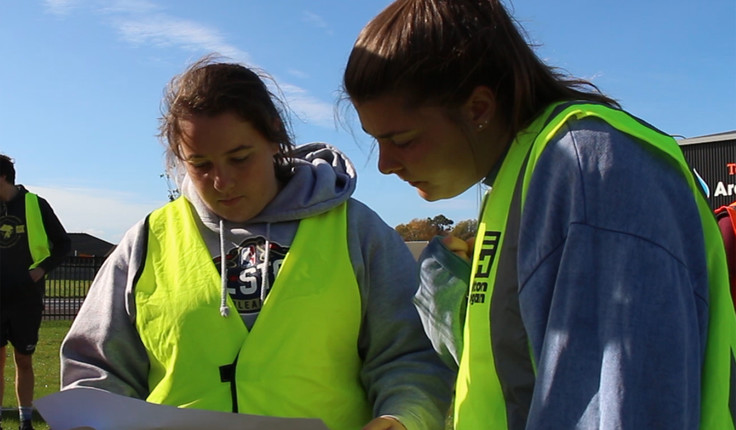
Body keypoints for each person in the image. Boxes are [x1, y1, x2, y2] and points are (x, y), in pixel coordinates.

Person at [342, 1, 736, 428]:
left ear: (478, 109)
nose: (384, 164)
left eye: (401, 138)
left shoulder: (589, 170)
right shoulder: (520, 179)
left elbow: (626, 405)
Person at [60, 56, 454, 430]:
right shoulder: (146, 242)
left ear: (275, 139)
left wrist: (403, 418)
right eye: (200, 165)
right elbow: (96, 370)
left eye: (240, 157)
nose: (222, 181)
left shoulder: (356, 230)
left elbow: (410, 357)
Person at [0, 154, 71, 430]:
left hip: (25, 299)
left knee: (23, 358)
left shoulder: (35, 205)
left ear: (3, 177)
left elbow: (63, 244)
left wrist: (40, 270)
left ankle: (25, 420)